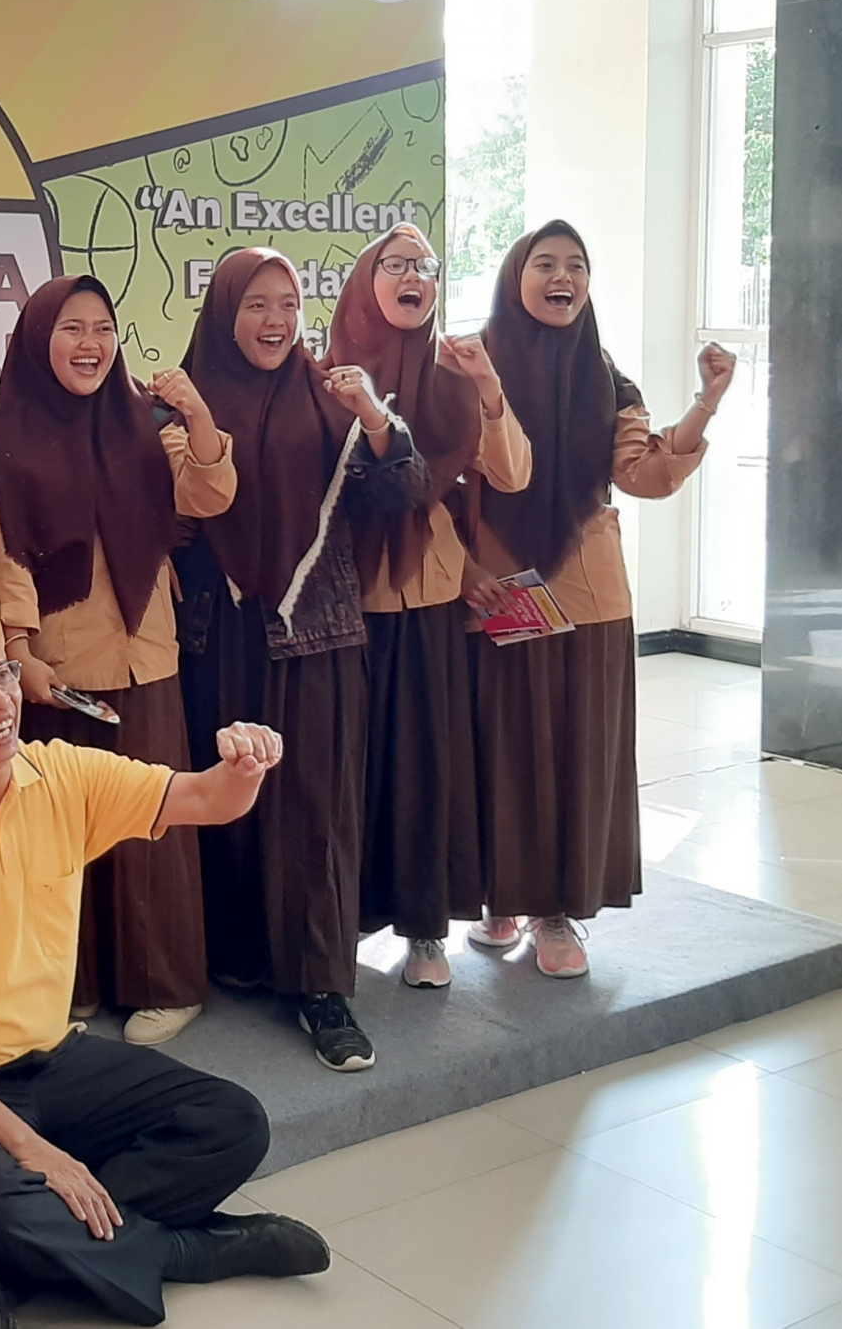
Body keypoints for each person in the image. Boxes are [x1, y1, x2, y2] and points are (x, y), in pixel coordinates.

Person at [0, 616, 328, 1327]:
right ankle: (182, 1250)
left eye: (1, 674)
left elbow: (204, 799)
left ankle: (58, 1244)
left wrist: (243, 767)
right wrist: (31, 1149)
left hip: (48, 1059)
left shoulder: (58, 772)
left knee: (231, 1120)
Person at [174, 247, 426, 1071]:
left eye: (287, 302)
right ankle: (243, 956)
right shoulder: (184, 400)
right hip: (220, 635)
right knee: (230, 794)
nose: (275, 320)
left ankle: (322, 986)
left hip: (315, 631)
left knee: (316, 804)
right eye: (255, 304)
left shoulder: (330, 395)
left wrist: (374, 415)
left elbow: (399, 489)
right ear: (222, 313)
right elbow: (164, 521)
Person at [464, 219, 733, 977]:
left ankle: (557, 912)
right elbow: (464, 474)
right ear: (515, 276)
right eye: (544, 262)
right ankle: (500, 895)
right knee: (505, 747)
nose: (562, 277)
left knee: (576, 753)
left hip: (587, 592)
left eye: (575, 265)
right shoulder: (470, 360)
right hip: (502, 587)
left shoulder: (603, 372)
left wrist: (706, 402)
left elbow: (643, 474)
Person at [0, 274, 236, 1048]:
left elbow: (208, 494)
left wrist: (195, 413)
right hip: (58, 662)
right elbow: (3, 557)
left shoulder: (144, 423)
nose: (90, 343)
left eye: (101, 327)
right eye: (70, 328)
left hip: (146, 652)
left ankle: (165, 982)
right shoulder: (2, 439)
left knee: (153, 820)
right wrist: (17, 652)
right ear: (38, 341)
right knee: (63, 834)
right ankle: (77, 982)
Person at [321, 225, 531, 989]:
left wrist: (488, 391)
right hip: (345, 610)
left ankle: (424, 930)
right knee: (355, 768)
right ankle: (342, 919)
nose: (414, 277)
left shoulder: (452, 376)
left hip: (434, 606)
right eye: (396, 264)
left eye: (426, 266)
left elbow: (504, 477)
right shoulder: (326, 375)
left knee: (428, 766)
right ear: (365, 280)